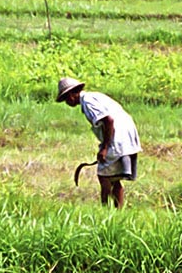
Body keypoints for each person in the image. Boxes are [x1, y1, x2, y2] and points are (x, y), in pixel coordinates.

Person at [56, 77, 141, 208]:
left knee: (104, 175)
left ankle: (104, 209)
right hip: (125, 133)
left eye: (66, 98)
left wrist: (105, 148)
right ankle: (118, 211)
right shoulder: (91, 97)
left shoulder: (88, 102)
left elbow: (109, 121)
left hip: (118, 135)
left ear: (72, 94)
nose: (67, 102)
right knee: (114, 177)